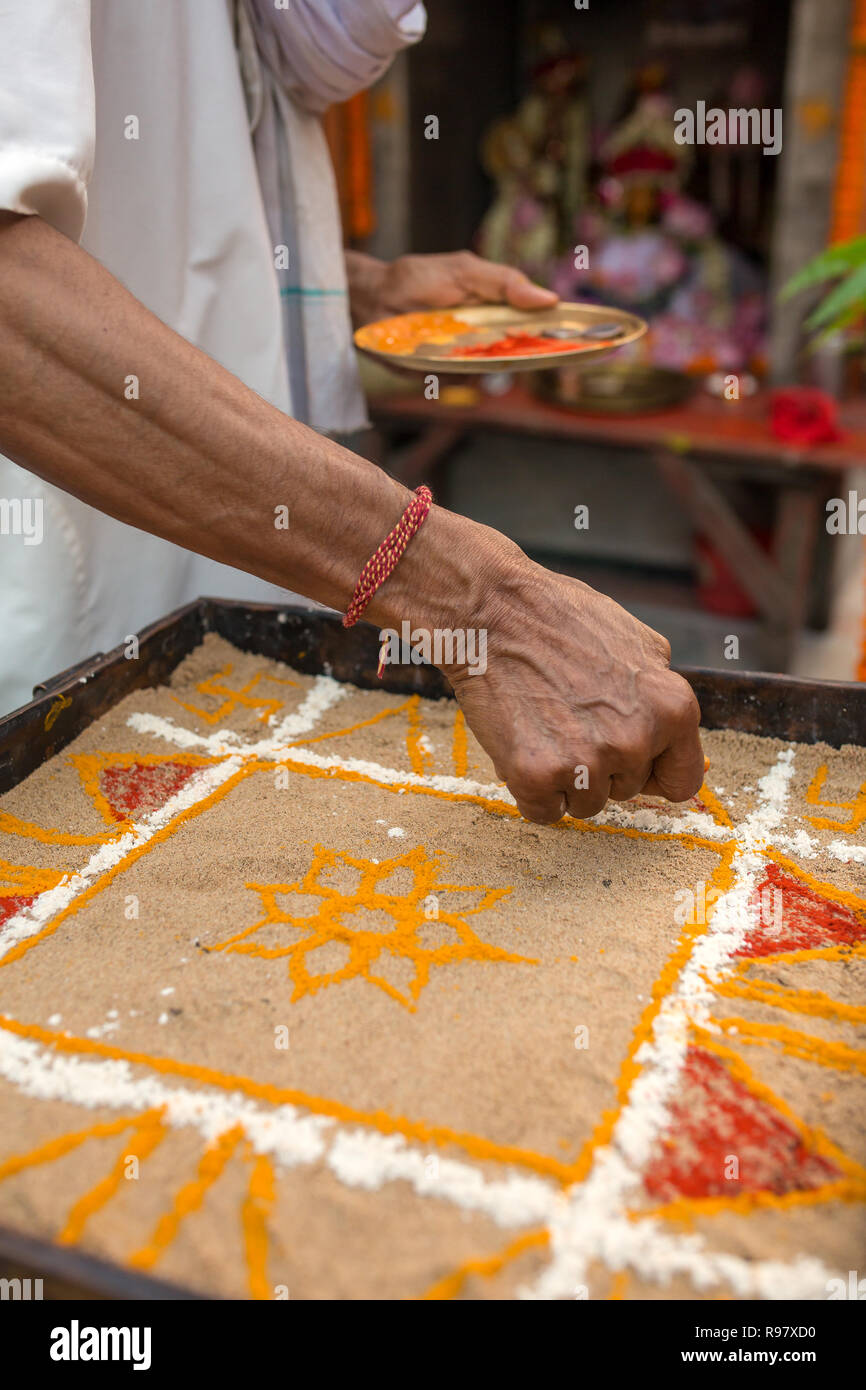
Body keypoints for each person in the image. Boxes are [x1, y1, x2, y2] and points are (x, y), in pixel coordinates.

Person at [0, 0, 703, 825]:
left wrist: (366, 285)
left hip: (229, 552)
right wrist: (485, 605)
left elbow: (177, 196)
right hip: (62, 551)